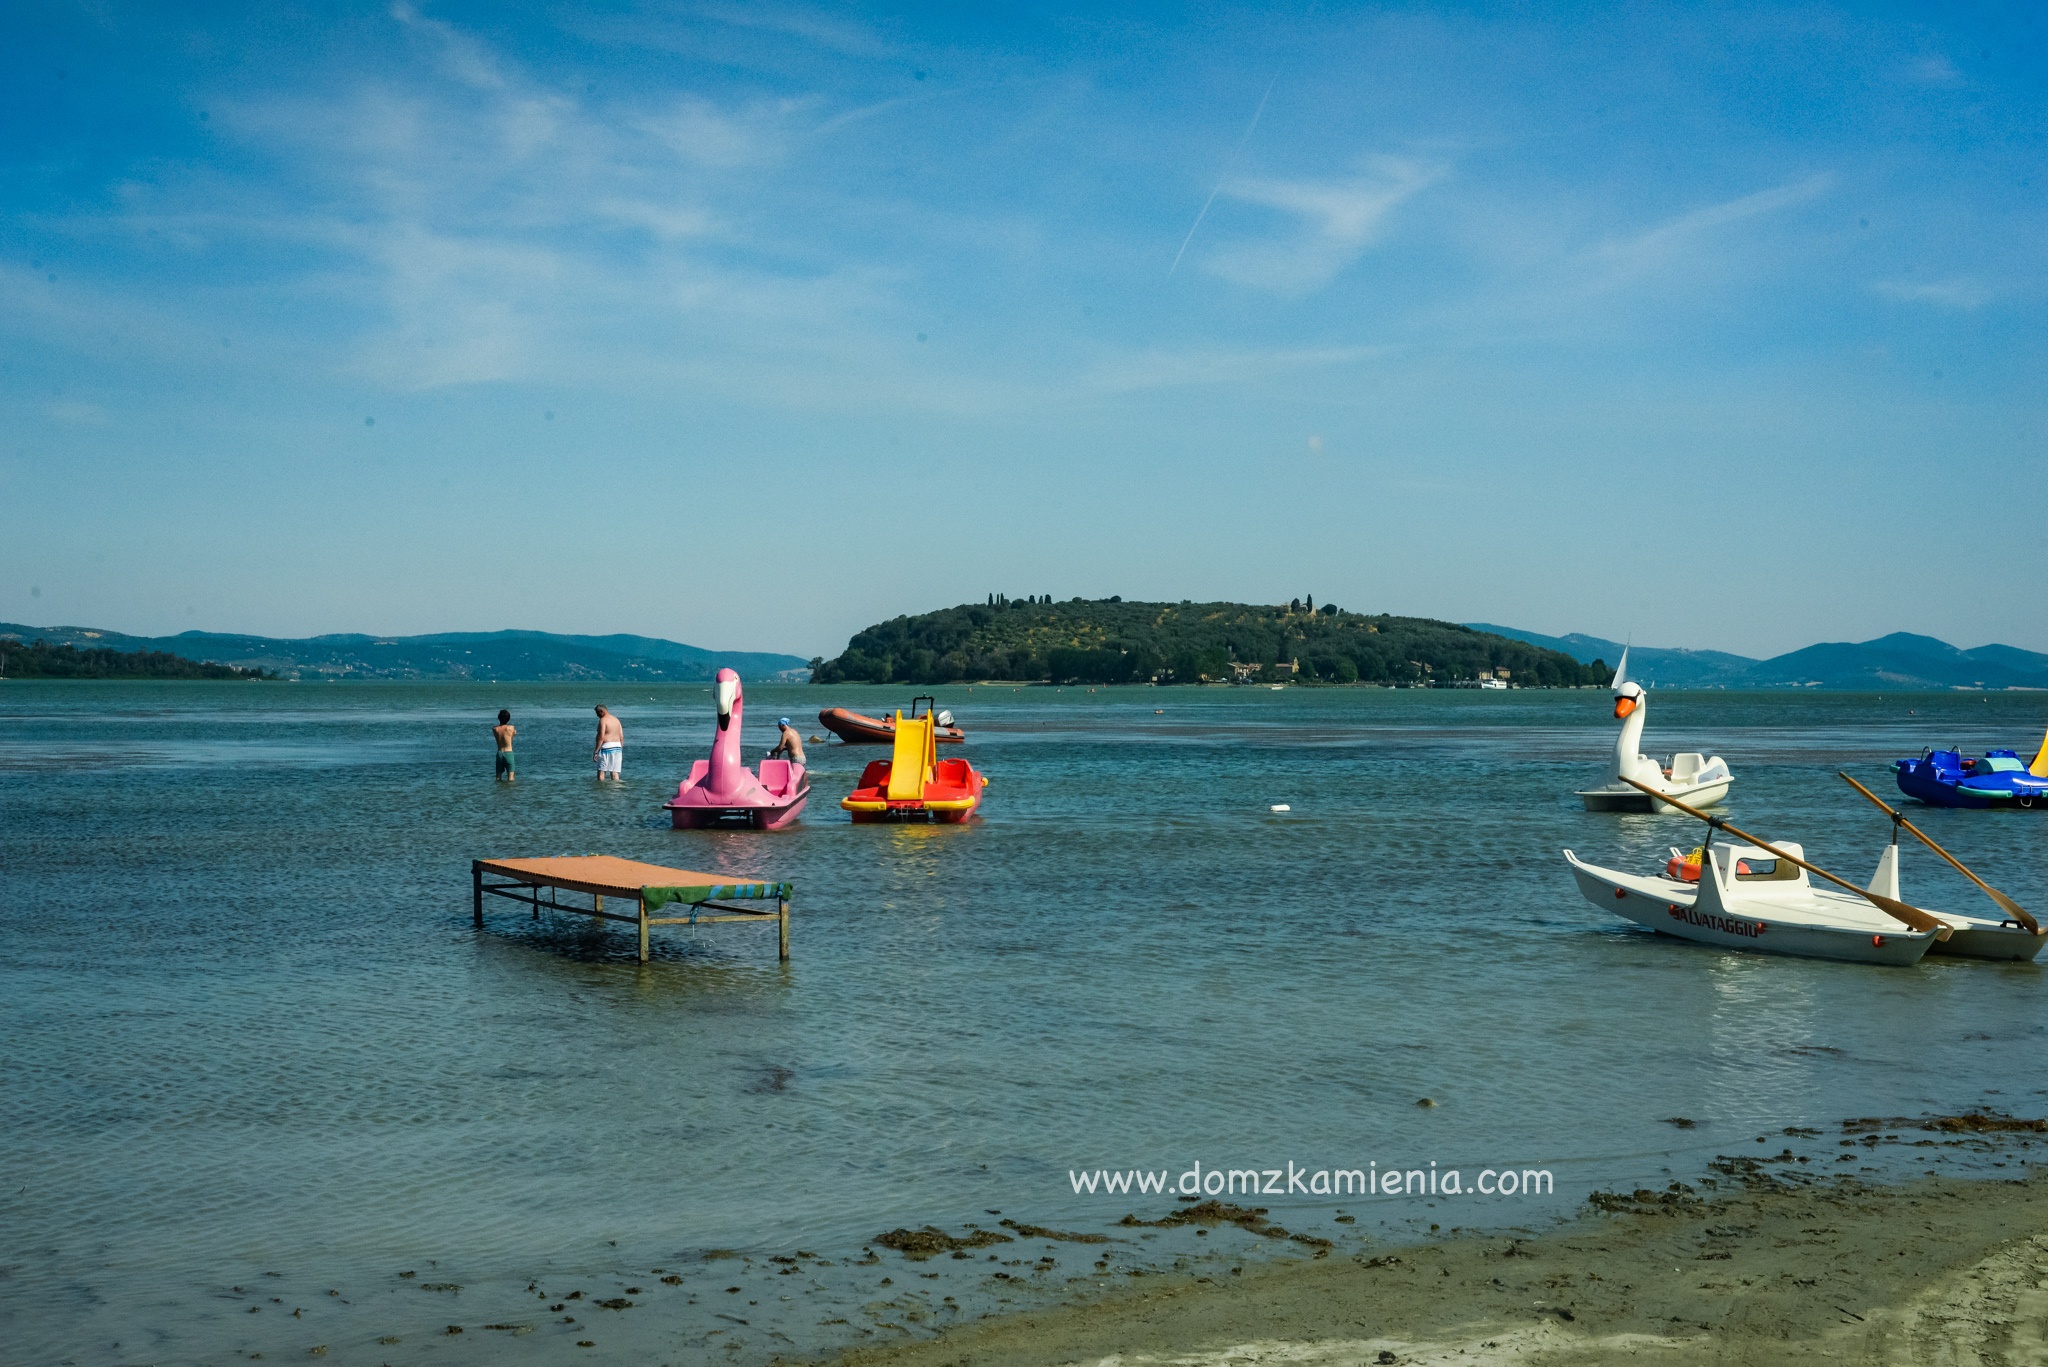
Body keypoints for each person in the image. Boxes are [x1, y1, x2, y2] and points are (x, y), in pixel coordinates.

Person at [593, 705, 624, 780]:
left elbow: (601, 737)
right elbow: (621, 737)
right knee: (614, 772)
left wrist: (596, 751)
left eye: (597, 713)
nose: (597, 715)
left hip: (606, 748)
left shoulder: (603, 720)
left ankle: (601, 790)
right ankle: (615, 790)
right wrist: (620, 748)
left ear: (602, 711)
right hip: (617, 747)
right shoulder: (616, 720)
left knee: (601, 772)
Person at [492, 709, 517, 782]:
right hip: (509, 753)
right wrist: (513, 735)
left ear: (499, 718)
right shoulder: (511, 728)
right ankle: (510, 793)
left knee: (498, 777)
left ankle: (499, 792)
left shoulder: (495, 729)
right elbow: (510, 741)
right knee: (511, 778)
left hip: (500, 753)